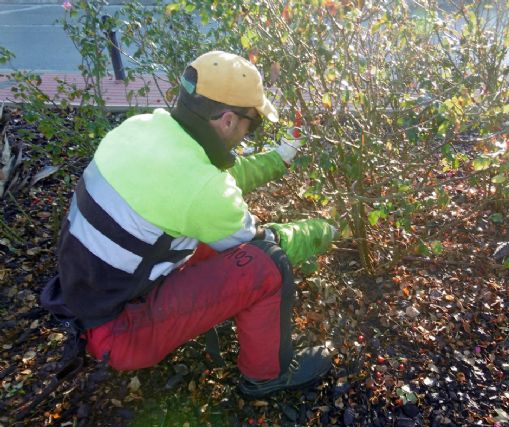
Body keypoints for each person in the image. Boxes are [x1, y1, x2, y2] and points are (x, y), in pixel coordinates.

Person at [40, 50, 337, 398]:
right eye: (251, 124)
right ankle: (267, 375)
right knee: (268, 264)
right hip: (117, 333)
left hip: (83, 295)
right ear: (227, 120)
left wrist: (281, 158)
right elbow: (263, 244)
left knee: (213, 237)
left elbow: (216, 177)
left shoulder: (141, 129)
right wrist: (324, 232)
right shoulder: (202, 188)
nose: (247, 132)